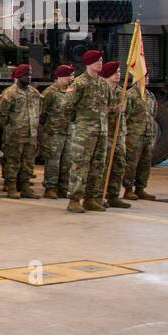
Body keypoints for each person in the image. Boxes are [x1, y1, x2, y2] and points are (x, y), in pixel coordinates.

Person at [65, 50, 111, 214]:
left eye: (101, 60)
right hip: (84, 132)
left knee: (98, 166)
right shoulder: (79, 83)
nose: (100, 63)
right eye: (97, 60)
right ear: (89, 63)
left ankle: (91, 199)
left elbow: (109, 106)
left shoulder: (103, 84)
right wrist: (79, 123)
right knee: (80, 165)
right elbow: (67, 106)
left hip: (101, 132)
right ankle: (74, 199)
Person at [0, 63, 43, 199]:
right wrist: (10, 128)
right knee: (13, 162)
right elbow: (1, 115)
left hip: (30, 135)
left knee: (28, 163)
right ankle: (11, 187)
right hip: (14, 136)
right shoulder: (9, 93)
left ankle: (25, 187)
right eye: (26, 75)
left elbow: (39, 110)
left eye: (29, 74)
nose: (29, 77)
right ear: (18, 76)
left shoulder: (34, 93)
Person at [40, 64, 76, 199]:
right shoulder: (50, 92)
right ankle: (50, 187)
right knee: (53, 161)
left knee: (67, 161)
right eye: (69, 75)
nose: (72, 78)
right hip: (53, 132)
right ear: (60, 77)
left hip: (68, 131)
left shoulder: (71, 91)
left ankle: (63, 187)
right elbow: (42, 113)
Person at [100, 61, 132, 209]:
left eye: (119, 72)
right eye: (115, 72)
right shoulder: (101, 89)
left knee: (119, 165)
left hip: (118, 134)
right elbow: (94, 110)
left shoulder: (122, 92)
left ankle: (114, 195)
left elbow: (128, 113)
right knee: (102, 166)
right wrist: (113, 109)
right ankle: (99, 194)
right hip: (104, 133)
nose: (118, 75)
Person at [123, 71, 158, 201]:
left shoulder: (150, 95)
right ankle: (128, 189)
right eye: (145, 76)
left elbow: (153, 113)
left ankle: (140, 188)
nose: (147, 78)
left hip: (147, 134)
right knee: (131, 163)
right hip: (133, 135)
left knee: (145, 162)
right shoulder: (130, 95)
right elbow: (125, 115)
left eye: (148, 76)